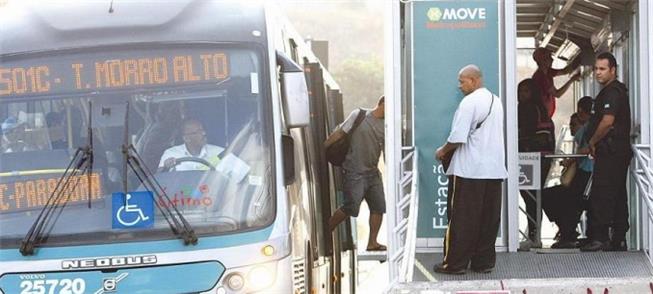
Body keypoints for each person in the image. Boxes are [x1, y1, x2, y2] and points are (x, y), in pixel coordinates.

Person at [433, 65, 507, 274]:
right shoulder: (496, 101)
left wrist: (442, 150)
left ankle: (454, 263)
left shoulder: (469, 102)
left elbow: (458, 137)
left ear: (474, 80)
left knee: (462, 218)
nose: (459, 86)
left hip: (469, 170)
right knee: (488, 219)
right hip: (493, 170)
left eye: (462, 81)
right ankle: (483, 263)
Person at [581, 52, 632, 252]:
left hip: (612, 151)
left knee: (602, 193)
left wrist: (592, 142)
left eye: (602, 69)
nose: (598, 73)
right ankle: (618, 237)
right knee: (617, 194)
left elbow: (607, 122)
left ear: (613, 70)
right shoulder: (608, 92)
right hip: (613, 152)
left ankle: (601, 237)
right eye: (596, 69)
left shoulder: (613, 92)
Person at [327, 96, 386, 252]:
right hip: (354, 171)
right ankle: (327, 232)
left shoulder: (387, 125)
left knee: (379, 207)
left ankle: (372, 243)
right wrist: (324, 147)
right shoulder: (359, 115)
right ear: (381, 104)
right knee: (351, 208)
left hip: (373, 173)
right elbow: (340, 133)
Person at [517, 78, 555, 249]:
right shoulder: (543, 109)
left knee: (529, 195)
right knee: (534, 195)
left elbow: (523, 131)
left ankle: (533, 235)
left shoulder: (526, 108)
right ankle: (534, 233)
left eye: (526, 91)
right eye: (520, 91)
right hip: (544, 157)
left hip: (528, 156)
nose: (522, 95)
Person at [158, 119, 224, 172]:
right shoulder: (171, 153)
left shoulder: (219, 152)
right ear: (186, 138)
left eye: (203, 130)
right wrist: (166, 168)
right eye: (198, 132)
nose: (204, 133)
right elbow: (159, 177)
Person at [532, 47, 581, 118]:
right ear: (543, 61)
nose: (552, 60)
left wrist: (579, 58)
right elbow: (558, 94)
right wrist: (572, 80)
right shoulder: (540, 77)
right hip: (541, 117)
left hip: (545, 116)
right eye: (549, 57)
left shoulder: (547, 72)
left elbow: (565, 71)